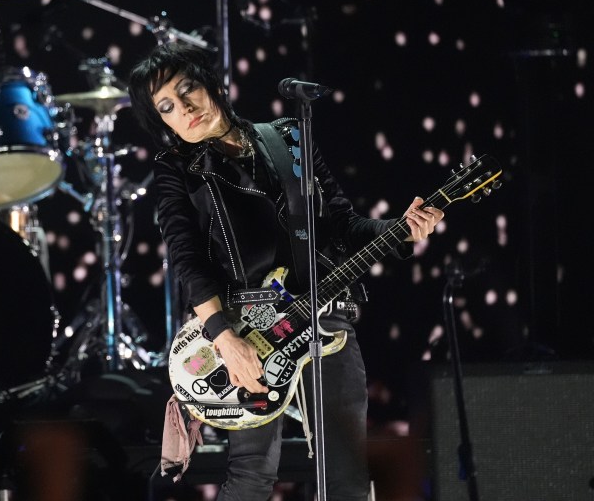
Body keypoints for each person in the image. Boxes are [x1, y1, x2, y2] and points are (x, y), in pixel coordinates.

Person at [128, 43, 443, 501]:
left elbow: (343, 225)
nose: (186, 108)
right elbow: (188, 259)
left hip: (324, 315)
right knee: (253, 474)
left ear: (213, 84)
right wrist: (224, 339)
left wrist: (403, 230)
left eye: (188, 89)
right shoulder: (178, 169)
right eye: (168, 107)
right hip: (247, 330)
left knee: (348, 474)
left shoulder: (290, 137)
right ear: (163, 123)